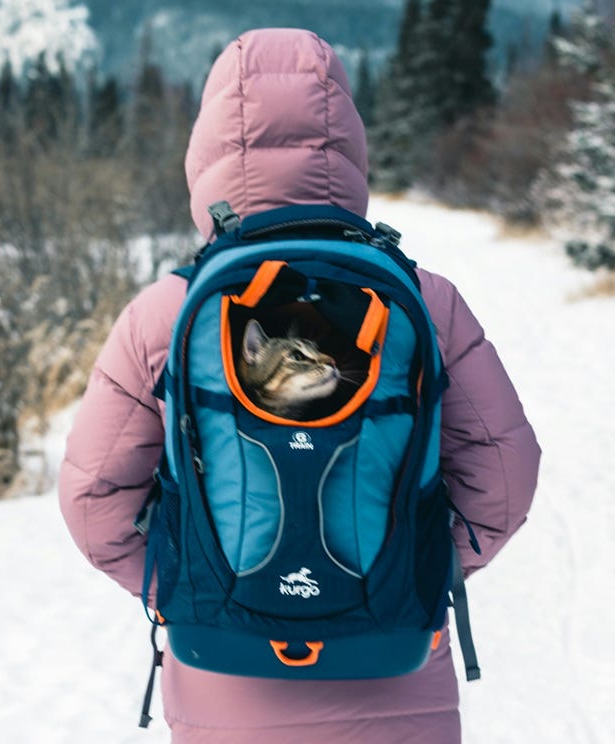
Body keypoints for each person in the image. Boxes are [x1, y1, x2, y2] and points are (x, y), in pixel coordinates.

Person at [59, 28, 540, 744]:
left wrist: (197, 585)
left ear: (206, 157)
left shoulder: (167, 311)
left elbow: (93, 499)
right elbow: (506, 473)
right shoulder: (425, 298)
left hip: (223, 675)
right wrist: (414, 569)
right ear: (349, 148)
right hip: (394, 660)